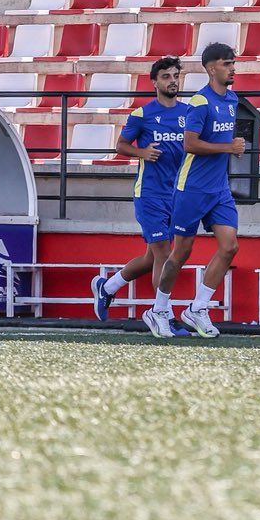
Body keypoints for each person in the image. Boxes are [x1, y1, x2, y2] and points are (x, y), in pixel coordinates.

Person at [147, 43, 245, 339]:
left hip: (219, 189)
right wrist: (228, 148)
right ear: (212, 68)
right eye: (227, 64)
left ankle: (198, 308)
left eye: (233, 63)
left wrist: (231, 147)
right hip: (191, 188)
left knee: (229, 247)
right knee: (181, 252)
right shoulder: (201, 102)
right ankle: (159, 309)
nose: (233, 68)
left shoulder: (232, 99)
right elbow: (189, 144)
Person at [93, 56, 188, 322]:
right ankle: (163, 315)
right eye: (166, 77)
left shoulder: (188, 113)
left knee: (151, 258)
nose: (172, 81)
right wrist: (142, 152)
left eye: (176, 76)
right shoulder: (142, 115)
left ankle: (107, 287)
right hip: (150, 194)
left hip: (178, 194)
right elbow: (121, 145)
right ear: (154, 82)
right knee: (164, 254)